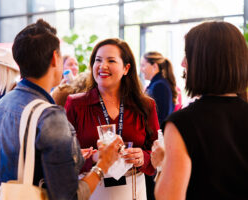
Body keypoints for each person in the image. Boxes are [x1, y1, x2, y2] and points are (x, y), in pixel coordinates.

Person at [0, 19, 123, 200]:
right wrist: (103, 165)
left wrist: (73, 156)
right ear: (54, 58)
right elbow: (68, 196)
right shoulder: (49, 115)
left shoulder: (2, 105)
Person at [154, 21, 248, 200]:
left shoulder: (182, 123)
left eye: (187, 55)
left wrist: (162, 164)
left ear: (204, 61)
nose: (182, 63)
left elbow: (169, 197)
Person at [65, 38, 159, 200]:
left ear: (126, 68)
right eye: (98, 60)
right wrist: (94, 158)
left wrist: (144, 157)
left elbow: (158, 151)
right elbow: (65, 156)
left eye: (111, 60)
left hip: (133, 189)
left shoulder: (146, 105)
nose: (102, 66)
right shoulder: (76, 104)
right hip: (91, 188)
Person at [141, 52, 177, 125]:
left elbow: (161, 118)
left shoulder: (160, 86)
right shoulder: (157, 84)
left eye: (143, 65)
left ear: (154, 66)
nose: (141, 70)